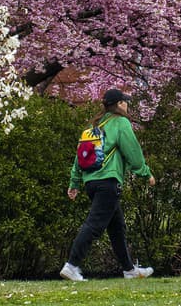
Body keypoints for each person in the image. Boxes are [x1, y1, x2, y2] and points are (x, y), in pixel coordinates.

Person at [60, 88, 156, 281]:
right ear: (119, 104)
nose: (127, 104)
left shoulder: (92, 127)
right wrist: (145, 173)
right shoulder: (120, 123)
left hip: (92, 183)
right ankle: (71, 265)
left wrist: (75, 182)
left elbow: (79, 158)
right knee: (94, 225)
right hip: (108, 181)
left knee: (117, 227)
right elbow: (132, 150)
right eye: (125, 101)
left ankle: (129, 270)